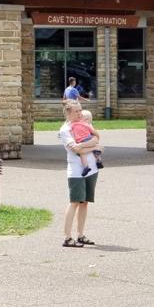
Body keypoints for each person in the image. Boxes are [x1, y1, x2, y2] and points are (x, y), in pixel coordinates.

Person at [58, 100, 99, 248]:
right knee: (75, 202)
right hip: (76, 171)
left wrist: (83, 145)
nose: (80, 113)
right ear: (68, 113)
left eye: (80, 110)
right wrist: (92, 146)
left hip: (91, 169)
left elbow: (96, 138)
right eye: (76, 111)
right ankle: (67, 238)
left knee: (84, 202)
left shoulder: (84, 123)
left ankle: (80, 235)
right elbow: (76, 150)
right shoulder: (65, 130)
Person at [68, 109, 105, 177]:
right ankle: (97, 161)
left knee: (84, 154)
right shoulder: (81, 124)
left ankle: (87, 166)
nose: (85, 120)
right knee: (93, 149)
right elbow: (94, 133)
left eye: (87, 119)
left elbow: (94, 134)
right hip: (86, 139)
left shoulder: (77, 124)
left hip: (82, 140)